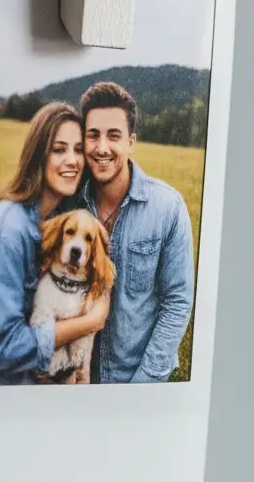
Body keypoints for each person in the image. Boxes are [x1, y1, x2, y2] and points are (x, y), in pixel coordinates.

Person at [0, 100, 110, 384]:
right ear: (38, 155)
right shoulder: (8, 233)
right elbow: (6, 349)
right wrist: (88, 323)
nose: (73, 160)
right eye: (59, 150)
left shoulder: (57, 219)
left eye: (77, 150)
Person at [79, 79, 196, 381]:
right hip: (76, 381)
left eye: (113, 136)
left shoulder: (167, 207)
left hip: (136, 378)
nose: (101, 148)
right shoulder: (70, 205)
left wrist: (144, 382)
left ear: (131, 142)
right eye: (93, 135)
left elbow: (177, 302)